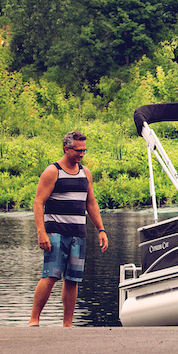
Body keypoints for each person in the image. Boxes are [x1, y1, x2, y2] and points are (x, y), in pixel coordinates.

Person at [29, 131, 109, 327]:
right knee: (51, 275)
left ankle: (68, 324)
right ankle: (34, 320)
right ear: (66, 149)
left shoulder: (85, 173)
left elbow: (91, 203)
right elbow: (38, 203)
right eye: (78, 150)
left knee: (73, 279)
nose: (81, 154)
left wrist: (101, 229)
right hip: (55, 231)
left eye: (84, 150)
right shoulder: (52, 171)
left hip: (78, 233)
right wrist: (41, 232)